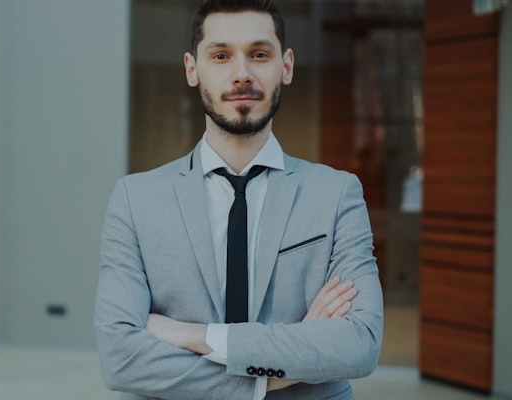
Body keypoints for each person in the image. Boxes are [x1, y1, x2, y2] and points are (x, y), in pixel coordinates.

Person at [94, 0, 383, 398]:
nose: (241, 74)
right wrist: (283, 367)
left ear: (287, 65)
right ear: (192, 70)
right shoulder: (135, 199)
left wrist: (195, 335)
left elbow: (359, 345)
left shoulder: (337, 194)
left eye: (259, 54)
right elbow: (120, 358)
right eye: (221, 55)